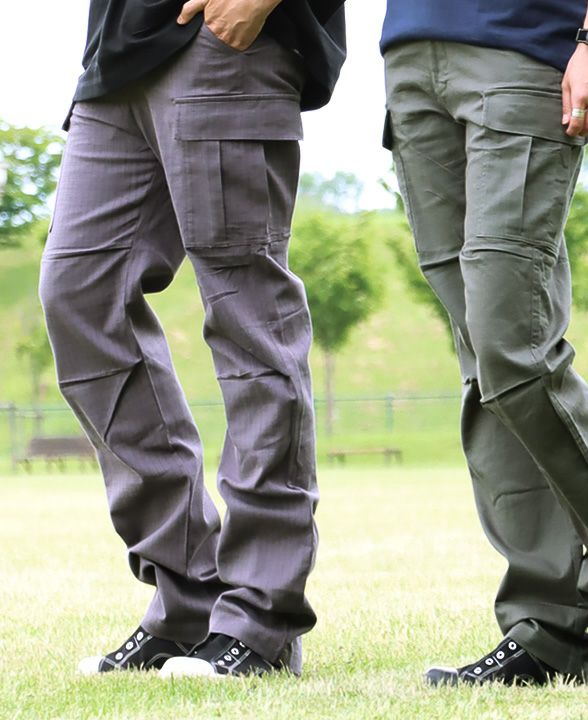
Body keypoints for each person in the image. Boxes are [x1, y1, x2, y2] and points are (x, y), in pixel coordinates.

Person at [381, 0, 588, 688]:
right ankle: (545, 630)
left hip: (519, 51)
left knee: (511, 349)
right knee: (486, 365)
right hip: (409, 57)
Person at [40, 0, 345, 678]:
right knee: (79, 297)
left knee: (248, 318)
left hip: (225, 41)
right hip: (118, 51)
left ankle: (261, 617)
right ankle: (188, 597)